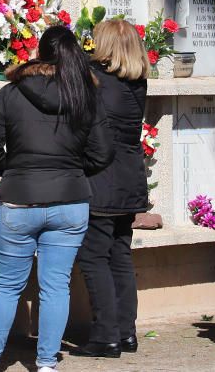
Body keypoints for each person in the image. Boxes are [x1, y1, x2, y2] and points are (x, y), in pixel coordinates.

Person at [0, 26, 115, 372]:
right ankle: (47, 362)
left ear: (40, 52)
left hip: (20, 200)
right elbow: (104, 153)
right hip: (70, 203)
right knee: (55, 285)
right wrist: (73, 172)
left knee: (6, 283)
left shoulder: (11, 92)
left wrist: (13, 168)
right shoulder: (84, 95)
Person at [72, 19, 150, 359]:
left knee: (93, 256)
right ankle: (125, 331)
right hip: (129, 178)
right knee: (119, 255)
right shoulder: (137, 82)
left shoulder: (99, 81)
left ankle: (105, 336)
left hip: (102, 178)